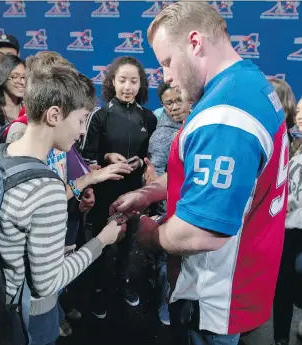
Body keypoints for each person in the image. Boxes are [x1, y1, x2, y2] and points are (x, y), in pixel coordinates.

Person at [110, 2, 288, 345]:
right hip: (246, 281)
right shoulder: (250, 82)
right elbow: (218, 178)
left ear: (195, 42)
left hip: (216, 297)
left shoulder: (225, 115)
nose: (166, 77)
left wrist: (150, 235)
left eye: (167, 62)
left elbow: (203, 231)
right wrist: (150, 193)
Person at [0, 54, 129, 345]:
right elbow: (49, 283)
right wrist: (103, 240)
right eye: (80, 120)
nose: (82, 132)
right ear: (54, 115)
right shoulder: (47, 189)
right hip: (29, 320)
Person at [82, 55, 157, 318]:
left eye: (134, 81)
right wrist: (106, 158)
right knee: (102, 246)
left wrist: (148, 169)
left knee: (129, 246)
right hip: (105, 194)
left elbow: (152, 157)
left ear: (141, 84)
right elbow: (86, 155)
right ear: (112, 82)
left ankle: (123, 286)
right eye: (122, 80)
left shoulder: (148, 118)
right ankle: (99, 292)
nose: (128, 86)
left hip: (135, 194)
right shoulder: (99, 116)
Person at [145, 83, 191, 326]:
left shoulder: (200, 124)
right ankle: (166, 305)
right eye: (168, 103)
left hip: (194, 208)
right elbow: (156, 176)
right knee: (166, 264)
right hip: (170, 210)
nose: (174, 107)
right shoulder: (163, 135)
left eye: (178, 100)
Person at [268, 80, 302, 345]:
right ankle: (280, 338)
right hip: (282, 229)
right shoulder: (286, 142)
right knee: (282, 285)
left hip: (296, 230)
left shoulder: (292, 141)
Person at [0, 54, 25, 130]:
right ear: (2, 77)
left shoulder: (29, 109)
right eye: (15, 76)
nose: (23, 82)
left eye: (24, 77)